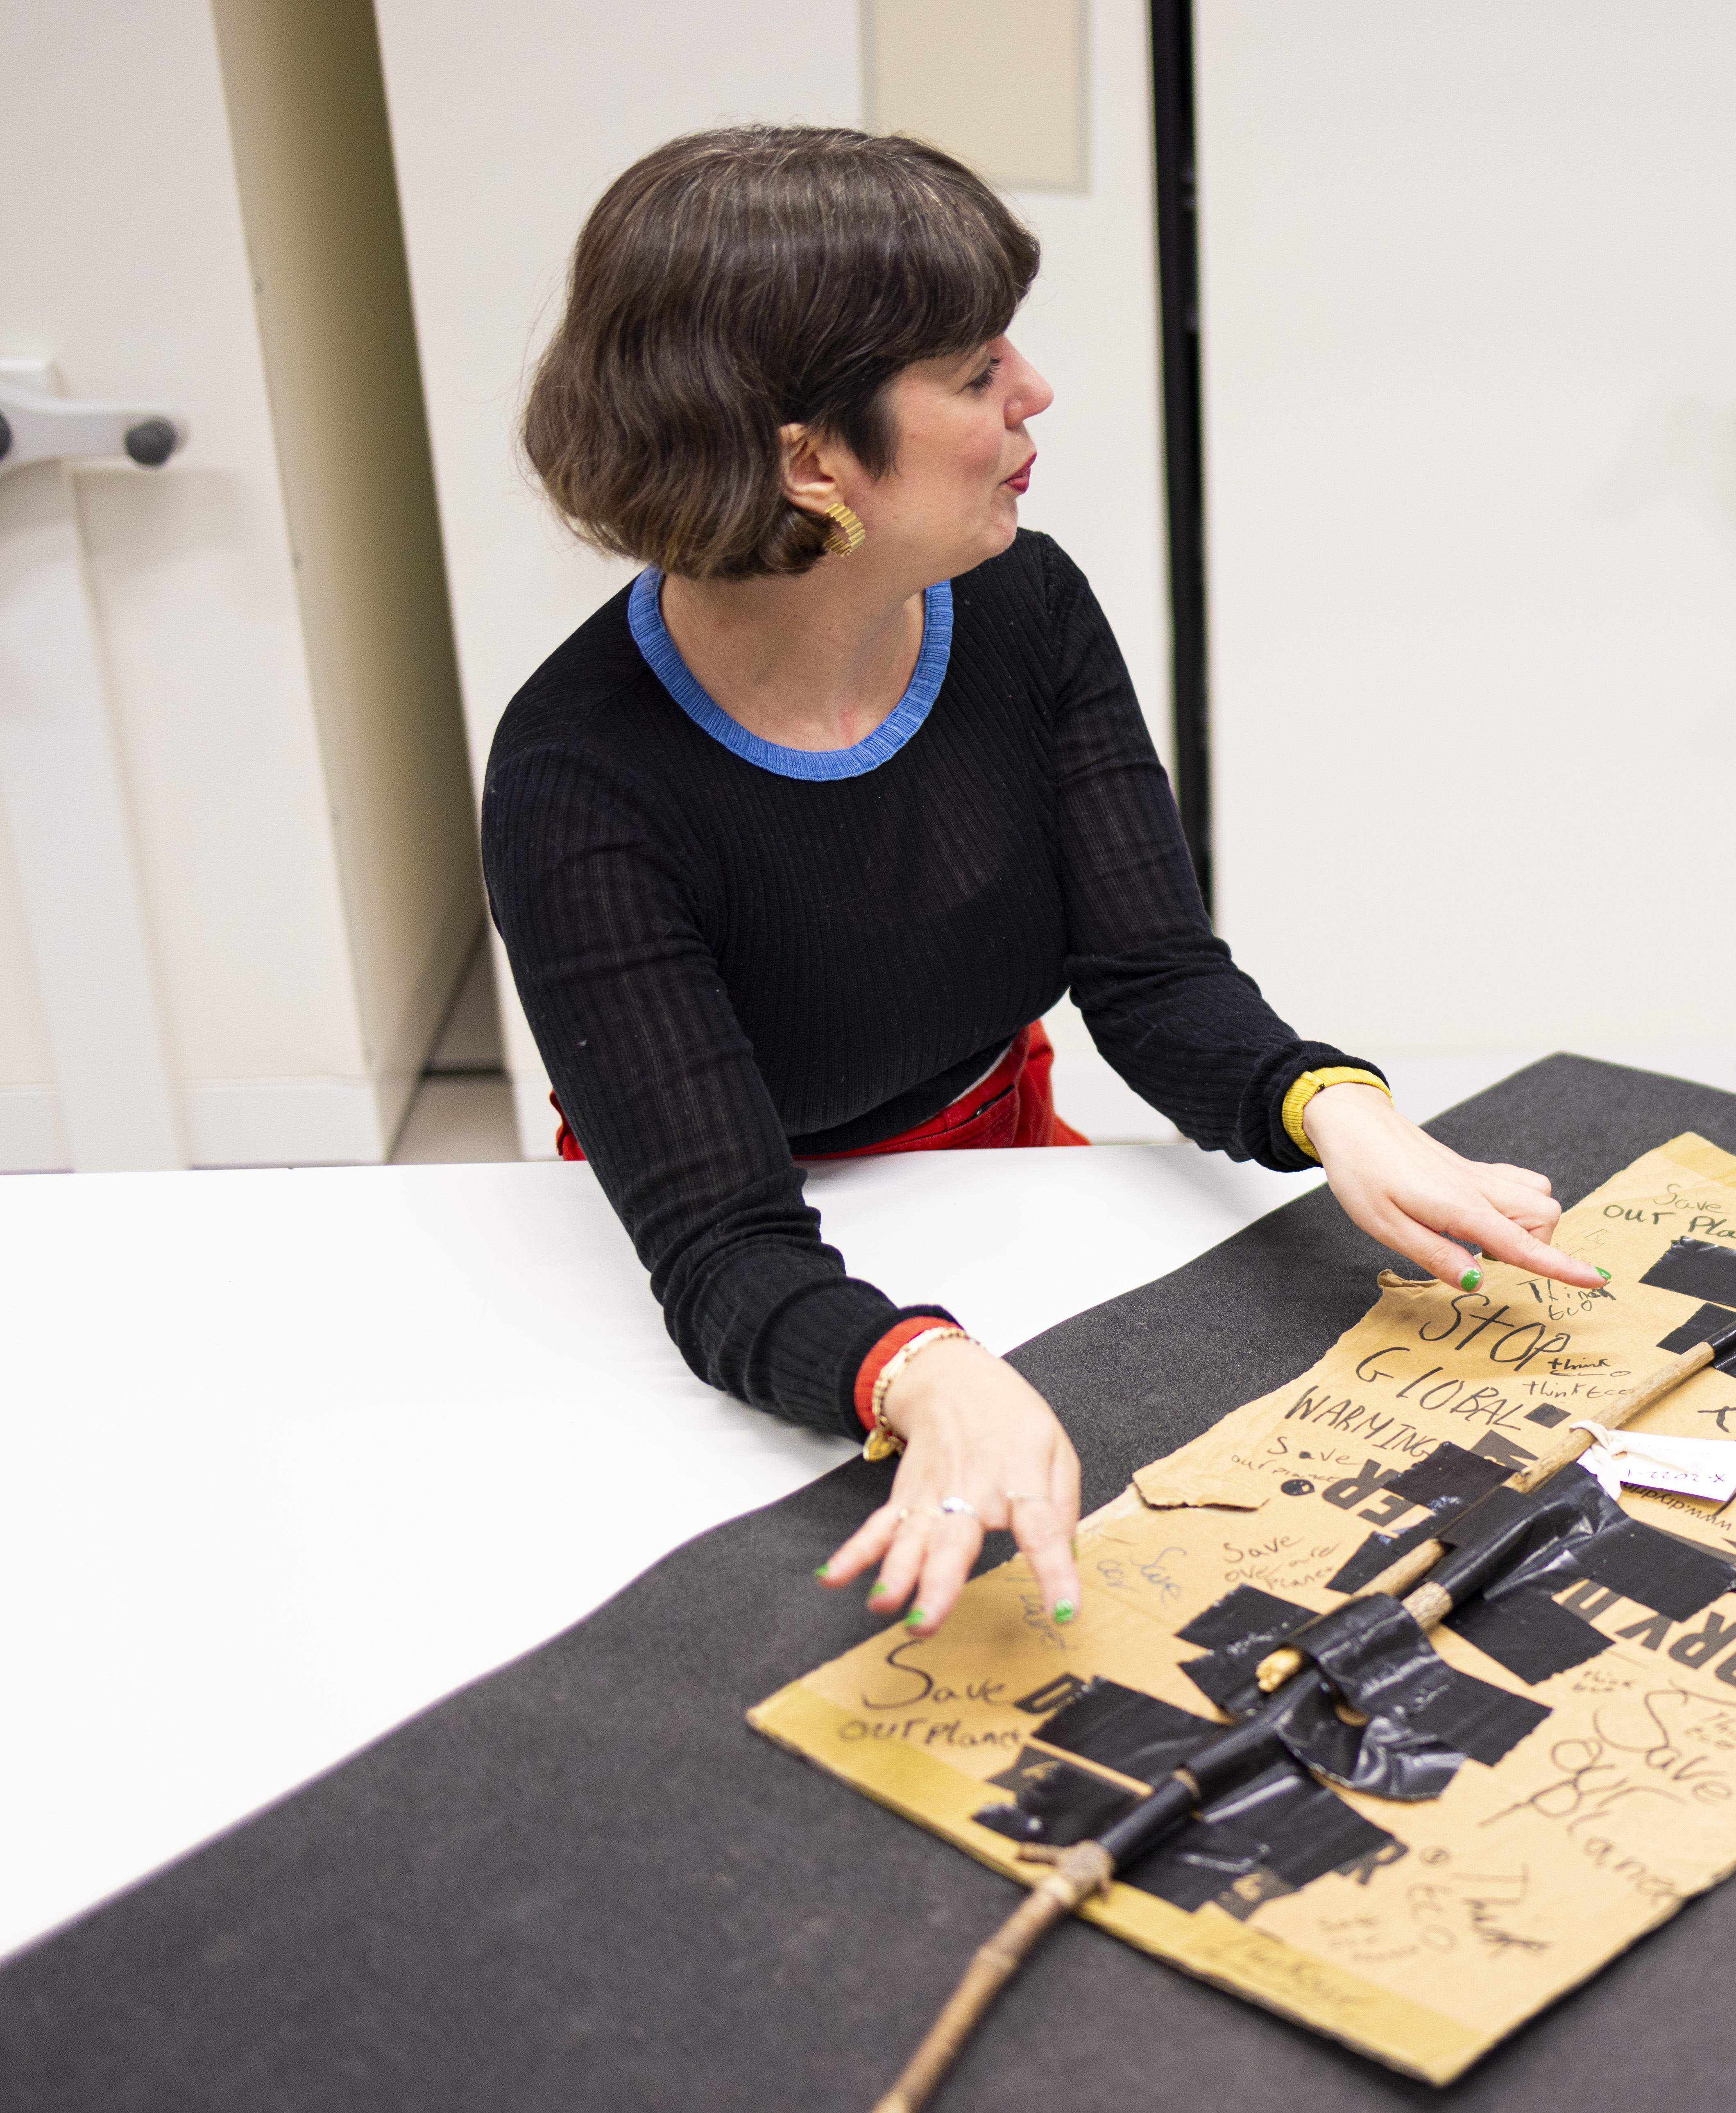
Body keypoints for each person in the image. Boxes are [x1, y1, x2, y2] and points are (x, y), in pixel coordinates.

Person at [484, 127, 1596, 1640]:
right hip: (748, 1274)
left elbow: (1150, 975)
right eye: (969, 369)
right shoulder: (577, 781)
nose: (1034, 392)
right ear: (812, 461)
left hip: (999, 1166)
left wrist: (1340, 1110)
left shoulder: (1025, 605)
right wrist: (922, 1375)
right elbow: (722, 1248)